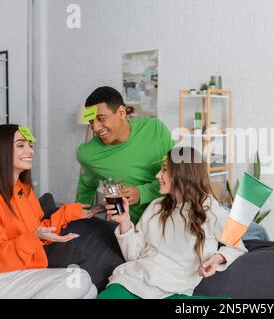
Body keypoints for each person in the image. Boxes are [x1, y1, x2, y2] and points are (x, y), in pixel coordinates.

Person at [97, 147, 247, 299]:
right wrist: (124, 220)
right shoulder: (156, 206)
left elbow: (238, 246)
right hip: (131, 282)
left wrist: (217, 258)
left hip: (174, 291)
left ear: (183, 173)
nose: (157, 176)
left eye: (164, 170)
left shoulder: (212, 211)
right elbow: (134, 255)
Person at [0, 124, 98, 299]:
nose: (30, 151)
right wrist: (34, 238)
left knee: (90, 291)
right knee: (80, 279)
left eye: (30, 145)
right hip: (5, 275)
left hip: (25, 271)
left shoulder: (24, 190)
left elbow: (39, 231)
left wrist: (69, 212)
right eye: (21, 145)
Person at [76, 86, 174, 224]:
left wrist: (142, 193)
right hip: (131, 229)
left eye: (101, 118)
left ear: (121, 113)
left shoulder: (155, 129)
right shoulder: (87, 154)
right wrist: (77, 222)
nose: (95, 128)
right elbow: (86, 187)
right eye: (91, 121)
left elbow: (178, 175)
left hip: (169, 218)